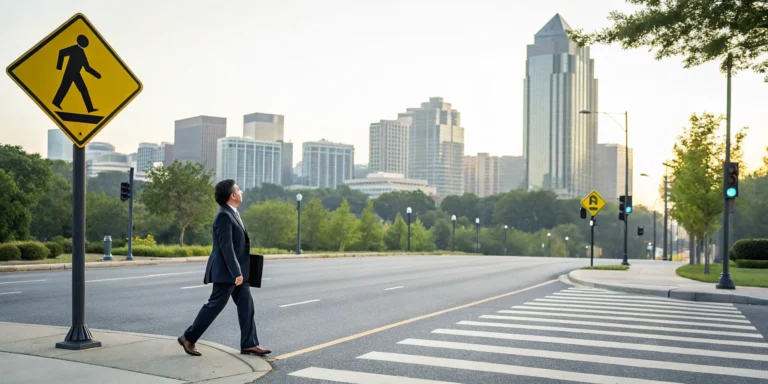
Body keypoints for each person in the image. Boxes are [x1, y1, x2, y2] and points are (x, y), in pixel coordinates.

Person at [178, 180, 271, 357]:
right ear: (232, 195)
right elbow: (226, 247)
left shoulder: (233, 213)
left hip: (238, 272)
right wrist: (236, 272)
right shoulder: (224, 216)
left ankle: (249, 344)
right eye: (238, 189)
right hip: (227, 272)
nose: (241, 191)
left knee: (247, 306)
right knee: (214, 306)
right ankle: (188, 338)